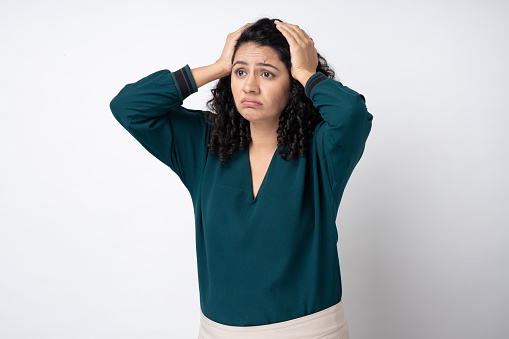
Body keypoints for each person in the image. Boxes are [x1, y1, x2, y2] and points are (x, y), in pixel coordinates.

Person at [110, 17, 373, 339]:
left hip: (308, 330)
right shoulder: (206, 144)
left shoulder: (322, 150)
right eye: (240, 72)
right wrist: (220, 65)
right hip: (219, 331)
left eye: (267, 73)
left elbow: (352, 115)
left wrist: (307, 72)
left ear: (292, 84)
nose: (249, 85)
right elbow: (129, 107)